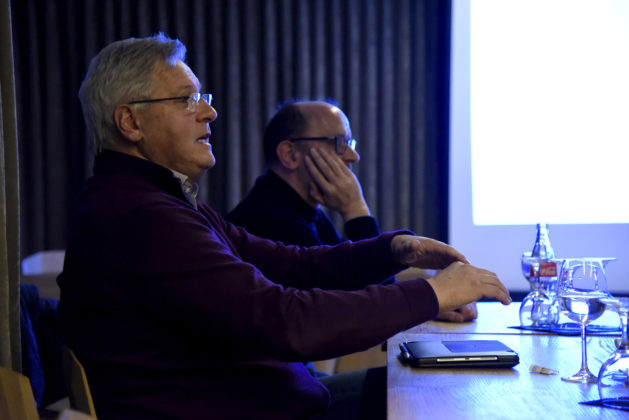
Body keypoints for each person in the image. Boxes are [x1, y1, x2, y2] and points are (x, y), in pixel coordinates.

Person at [58, 33, 511, 420]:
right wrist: (431, 293)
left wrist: (392, 249)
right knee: (454, 401)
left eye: (204, 99)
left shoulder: (160, 201)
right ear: (130, 121)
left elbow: (296, 266)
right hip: (258, 410)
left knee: (445, 390)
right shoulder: (140, 217)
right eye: (186, 100)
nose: (209, 113)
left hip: (277, 399)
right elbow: (287, 323)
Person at [226, 100, 476, 323]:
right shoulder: (269, 218)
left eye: (350, 143)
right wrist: (356, 210)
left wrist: (431, 296)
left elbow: (358, 277)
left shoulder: (304, 210)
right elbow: (360, 306)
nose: (353, 156)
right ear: (290, 154)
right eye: (340, 143)